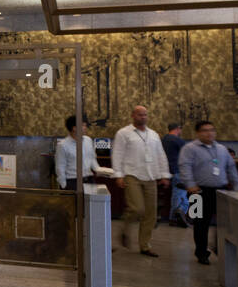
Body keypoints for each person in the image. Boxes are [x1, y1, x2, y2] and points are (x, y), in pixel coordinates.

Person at [177, 120, 238, 265]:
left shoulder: (222, 149)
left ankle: (219, 247)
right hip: (197, 192)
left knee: (225, 222)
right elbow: (184, 167)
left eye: (212, 130)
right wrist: (190, 185)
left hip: (221, 191)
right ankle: (201, 253)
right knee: (200, 223)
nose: (209, 133)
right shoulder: (189, 148)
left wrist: (237, 187)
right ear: (198, 133)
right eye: (205, 130)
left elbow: (231, 168)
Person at [110, 105, 170, 257]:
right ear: (133, 116)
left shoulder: (154, 134)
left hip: (151, 176)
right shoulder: (124, 133)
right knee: (137, 208)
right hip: (132, 174)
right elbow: (117, 154)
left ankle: (145, 245)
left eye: (145, 114)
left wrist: (164, 174)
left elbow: (160, 155)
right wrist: (118, 175)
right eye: (139, 114)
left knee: (151, 214)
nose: (143, 117)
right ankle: (124, 230)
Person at [55, 115, 98, 190]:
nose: (85, 127)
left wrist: (99, 169)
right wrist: (64, 185)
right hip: (72, 182)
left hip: (89, 180)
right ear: (74, 128)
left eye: (85, 125)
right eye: (83, 125)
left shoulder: (88, 140)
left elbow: (92, 158)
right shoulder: (62, 145)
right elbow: (60, 167)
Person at [161, 123, 188, 226]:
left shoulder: (163, 140)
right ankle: (176, 216)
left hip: (167, 171)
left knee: (177, 194)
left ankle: (174, 217)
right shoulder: (178, 140)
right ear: (178, 128)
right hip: (178, 170)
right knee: (180, 194)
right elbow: (187, 155)